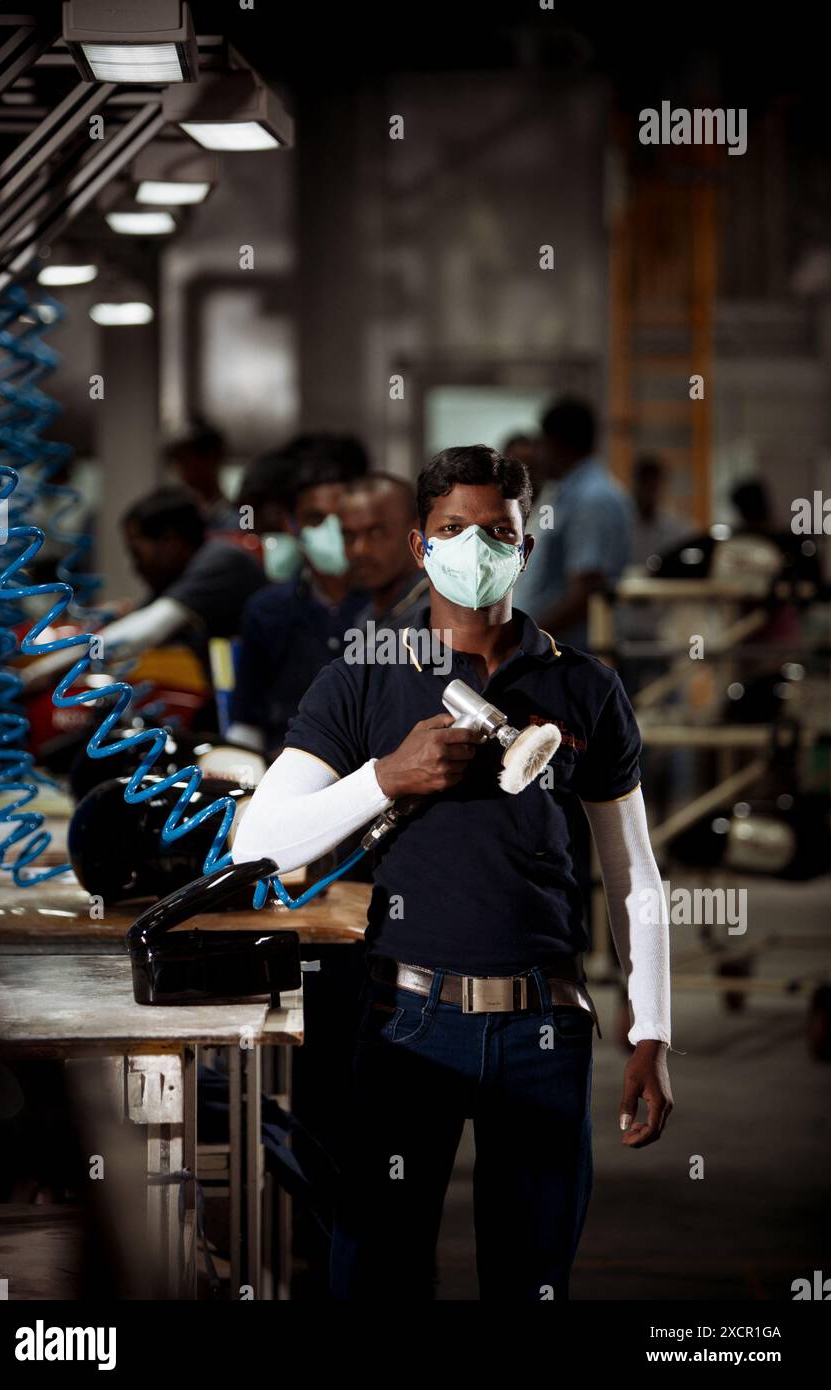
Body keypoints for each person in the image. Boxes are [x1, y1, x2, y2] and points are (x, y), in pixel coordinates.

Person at [232, 442, 673, 1302]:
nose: (475, 548)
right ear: (421, 544)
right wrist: (385, 778)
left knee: (530, 1280)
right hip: (407, 1024)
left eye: (496, 531)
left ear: (526, 547)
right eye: (453, 528)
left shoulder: (583, 689)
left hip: (543, 1030)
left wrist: (651, 1028)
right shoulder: (365, 676)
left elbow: (635, 878)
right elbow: (261, 844)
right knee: (377, 1274)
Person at [21, 486, 265, 691]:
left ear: (169, 541)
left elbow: (140, 633)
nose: (135, 567)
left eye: (137, 554)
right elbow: (128, 626)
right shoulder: (185, 574)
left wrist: (36, 673)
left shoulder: (221, 561)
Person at [227, 448, 368, 756]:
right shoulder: (267, 610)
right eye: (315, 519)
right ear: (292, 525)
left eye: (340, 518)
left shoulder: (393, 607)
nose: (330, 531)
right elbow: (247, 722)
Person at [514, 397, 635, 650]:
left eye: (541, 444)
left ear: (555, 444)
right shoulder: (568, 493)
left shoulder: (592, 499)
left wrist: (525, 639)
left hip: (570, 654)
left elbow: (586, 591)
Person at [338, 473, 428, 630]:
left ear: (417, 534)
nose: (359, 549)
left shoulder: (433, 617)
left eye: (376, 533)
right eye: (349, 536)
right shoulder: (368, 616)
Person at [163, 417, 237, 531]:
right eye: (176, 461)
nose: (178, 468)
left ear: (211, 458)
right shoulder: (173, 514)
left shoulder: (240, 515)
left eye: (185, 459)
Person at [632, 454, 690, 569]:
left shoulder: (674, 528)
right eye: (646, 484)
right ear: (637, 484)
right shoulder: (624, 525)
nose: (649, 492)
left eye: (654, 486)